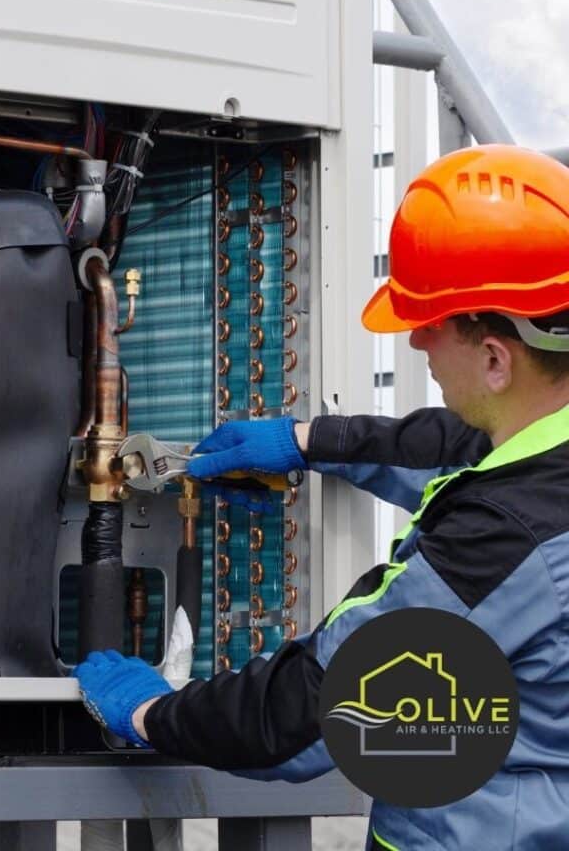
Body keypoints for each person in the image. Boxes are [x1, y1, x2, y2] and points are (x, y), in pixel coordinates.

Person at [74, 145, 569, 850]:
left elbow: (319, 708)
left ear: (496, 358)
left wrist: (154, 711)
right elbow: (453, 448)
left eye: (432, 321)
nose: (418, 340)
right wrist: (309, 440)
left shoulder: (500, 541)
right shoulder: (538, 457)